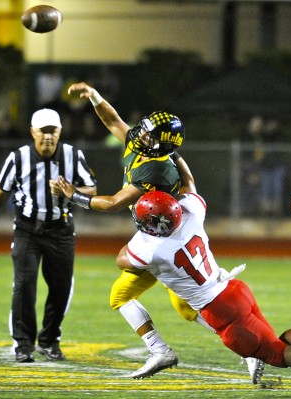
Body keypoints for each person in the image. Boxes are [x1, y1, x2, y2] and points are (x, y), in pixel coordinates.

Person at [116, 183, 291, 387]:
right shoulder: (192, 216)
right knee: (276, 345)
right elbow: (190, 183)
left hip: (221, 311)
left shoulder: (151, 251)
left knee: (278, 354)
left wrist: (144, 235)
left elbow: (121, 260)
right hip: (235, 289)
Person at [53, 82, 210, 380]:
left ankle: (244, 349)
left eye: (150, 135)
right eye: (145, 129)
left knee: (174, 303)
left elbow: (113, 203)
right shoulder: (144, 149)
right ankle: (165, 350)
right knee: (165, 302)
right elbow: (113, 120)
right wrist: (95, 97)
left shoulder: (156, 168)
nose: (141, 135)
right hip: (158, 236)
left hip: (161, 242)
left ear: (162, 145)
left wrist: (73, 195)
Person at [0, 108, 97, 363]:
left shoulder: (73, 155)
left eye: (53, 131)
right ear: (33, 132)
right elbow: (0, 192)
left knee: (61, 287)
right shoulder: (18, 158)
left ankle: (49, 340)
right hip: (27, 229)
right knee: (24, 285)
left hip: (61, 229)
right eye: (43, 131)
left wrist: (69, 191)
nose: (48, 137)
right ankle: (22, 344)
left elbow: (92, 189)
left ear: (60, 132)